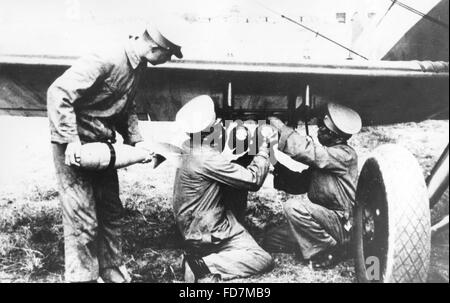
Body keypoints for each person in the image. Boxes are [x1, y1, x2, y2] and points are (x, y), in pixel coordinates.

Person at [47, 22, 183, 283]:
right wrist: (71, 140)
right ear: (155, 47)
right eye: (168, 55)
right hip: (76, 146)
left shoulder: (138, 65)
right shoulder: (107, 57)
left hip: (103, 146)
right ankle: (82, 277)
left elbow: (126, 105)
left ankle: (111, 271)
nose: (168, 60)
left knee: (111, 212)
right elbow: (59, 92)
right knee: (82, 219)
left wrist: (136, 141)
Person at [172, 95, 275, 282]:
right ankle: (200, 266)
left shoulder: (189, 146)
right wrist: (264, 147)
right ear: (216, 125)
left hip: (194, 224)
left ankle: (203, 255)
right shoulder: (207, 158)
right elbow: (253, 181)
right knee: (262, 259)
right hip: (208, 231)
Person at [263, 103, 362, 268]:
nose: (319, 131)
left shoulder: (344, 155)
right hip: (324, 221)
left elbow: (307, 151)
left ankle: (330, 249)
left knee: (292, 207)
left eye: (323, 128)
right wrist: (273, 162)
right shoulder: (328, 158)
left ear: (335, 135)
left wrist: (279, 126)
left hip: (341, 223)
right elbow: (300, 184)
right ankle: (320, 244)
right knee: (272, 239)